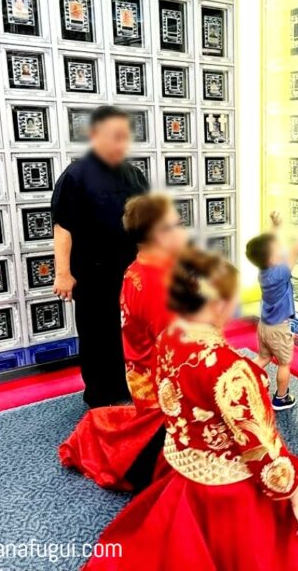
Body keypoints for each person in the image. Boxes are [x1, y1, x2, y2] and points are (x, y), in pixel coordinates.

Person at [83, 248, 298, 570]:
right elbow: (263, 448)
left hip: (183, 476)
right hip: (229, 494)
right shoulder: (231, 369)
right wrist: (297, 497)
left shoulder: (169, 337)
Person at [59, 194, 188, 491]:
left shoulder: (137, 268)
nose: (183, 232)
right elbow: (180, 347)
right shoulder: (157, 283)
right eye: (176, 225)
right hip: (162, 381)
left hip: (141, 374)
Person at [52, 106, 148, 408]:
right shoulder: (75, 176)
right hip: (92, 274)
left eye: (124, 137)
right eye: (113, 136)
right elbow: (63, 228)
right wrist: (62, 274)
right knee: (97, 335)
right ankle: (101, 397)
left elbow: (146, 221)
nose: (120, 143)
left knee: (132, 332)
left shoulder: (134, 175)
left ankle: (133, 387)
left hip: (131, 272)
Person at [245, 210, 298, 410]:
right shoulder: (281, 272)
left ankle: (243, 377)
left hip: (264, 326)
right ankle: (281, 398)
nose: (280, 249)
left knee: (264, 357)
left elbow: (265, 248)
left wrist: (274, 227)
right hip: (278, 328)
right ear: (272, 258)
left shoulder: (263, 271)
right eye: (277, 249)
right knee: (284, 363)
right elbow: (294, 251)